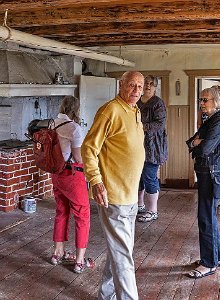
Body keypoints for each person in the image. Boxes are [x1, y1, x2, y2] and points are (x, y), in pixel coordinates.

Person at [82, 71, 145, 299]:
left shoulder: (135, 111)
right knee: (123, 256)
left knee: (120, 251)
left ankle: (106, 295)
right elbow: (89, 148)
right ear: (121, 85)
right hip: (113, 195)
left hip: (131, 196)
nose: (136, 90)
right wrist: (96, 181)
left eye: (140, 86)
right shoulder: (110, 110)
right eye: (132, 85)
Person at [186, 86, 220, 279]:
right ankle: (216, 256)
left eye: (205, 100)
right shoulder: (210, 120)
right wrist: (197, 142)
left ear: (216, 101)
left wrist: (198, 143)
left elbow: (203, 149)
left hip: (210, 174)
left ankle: (209, 262)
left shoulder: (218, 121)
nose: (202, 104)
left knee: (206, 217)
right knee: (208, 215)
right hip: (205, 173)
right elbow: (191, 142)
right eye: (201, 100)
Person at [50, 95, 94, 274]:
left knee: (61, 212)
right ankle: (79, 261)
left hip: (56, 173)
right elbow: (78, 158)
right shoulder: (74, 128)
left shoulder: (52, 123)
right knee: (82, 215)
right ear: (75, 110)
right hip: (71, 174)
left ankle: (57, 252)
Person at [136, 75, 168, 222]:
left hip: (153, 146)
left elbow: (159, 124)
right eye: (145, 84)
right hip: (137, 145)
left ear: (155, 87)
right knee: (139, 177)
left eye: (151, 84)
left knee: (149, 176)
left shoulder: (158, 103)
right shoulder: (136, 101)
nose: (148, 86)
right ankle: (140, 205)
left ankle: (153, 210)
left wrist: (142, 127)